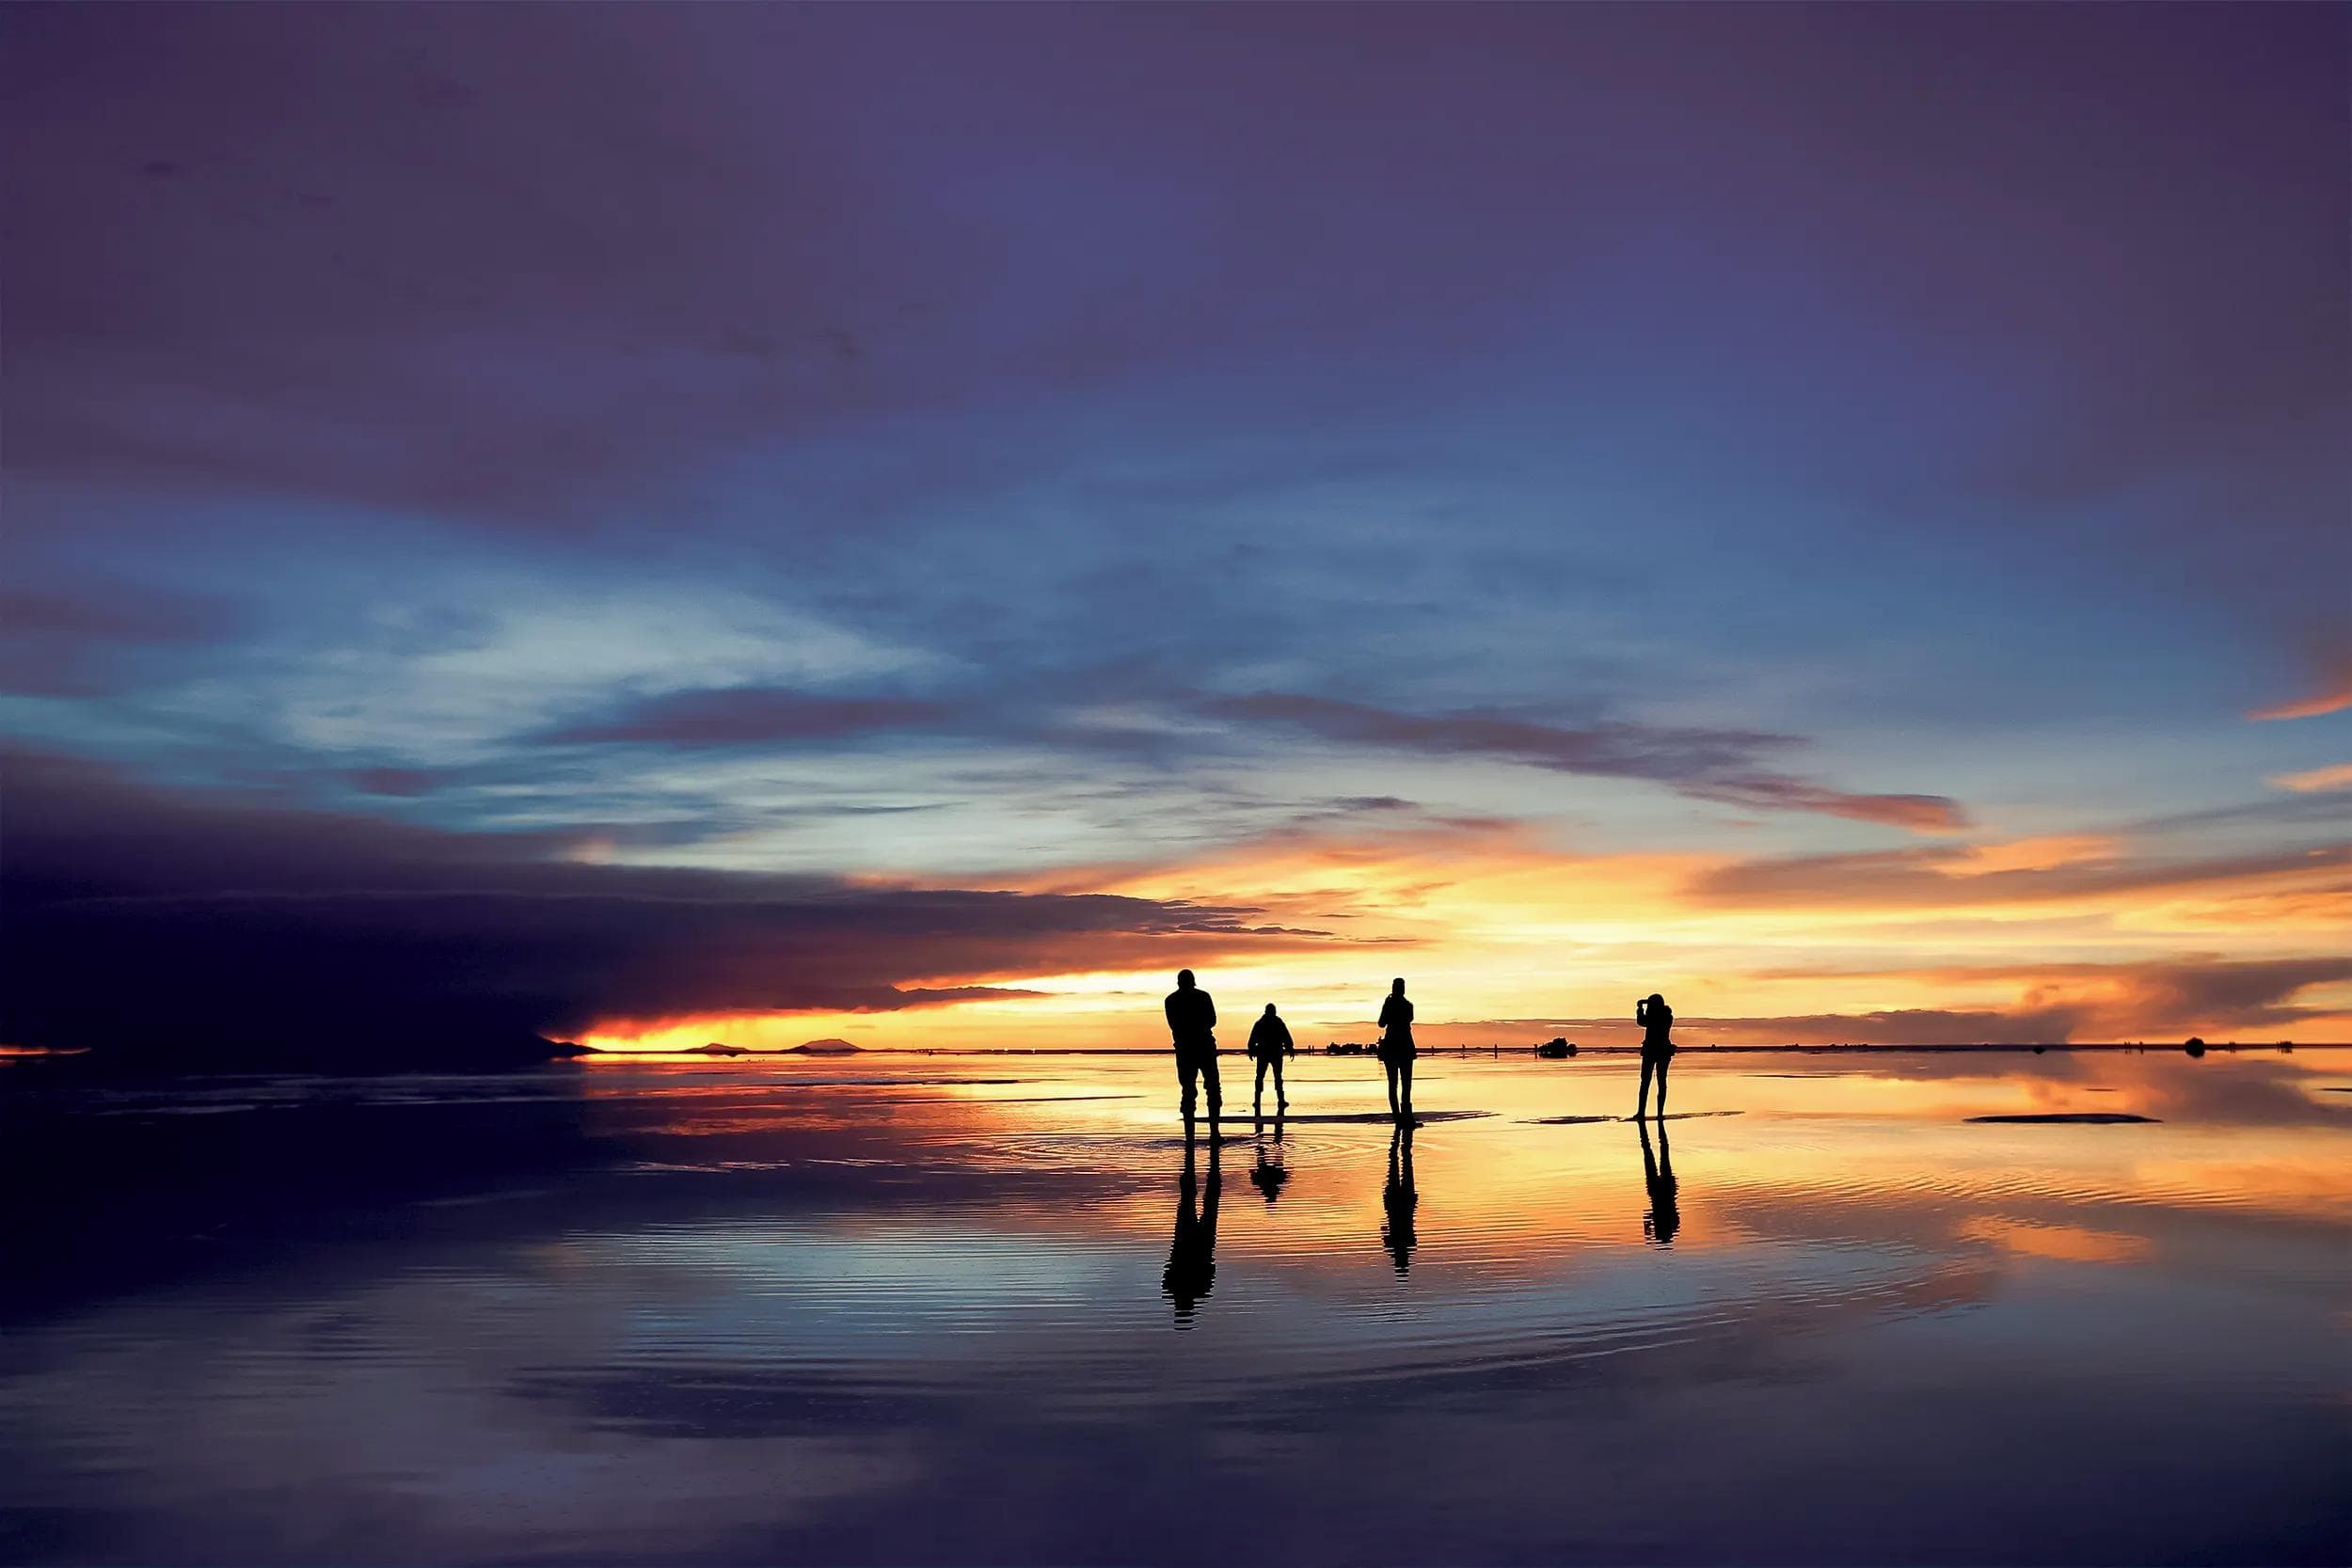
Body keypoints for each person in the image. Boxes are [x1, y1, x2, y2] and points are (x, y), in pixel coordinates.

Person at [1163, 1131, 1221, 1324]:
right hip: (1198, 1244)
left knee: (1194, 1200)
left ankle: (1199, 1167)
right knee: (1203, 1200)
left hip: (1188, 1243)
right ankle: (1205, 1168)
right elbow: (1210, 1268)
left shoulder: (1174, 1288)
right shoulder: (1199, 1289)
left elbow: (1211, 1269)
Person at [1164, 969, 1220, 1127]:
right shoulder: (1202, 996)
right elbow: (1212, 1021)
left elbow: (1174, 1025)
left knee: (1190, 1091)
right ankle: (1213, 1133)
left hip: (1186, 1050)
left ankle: (1194, 1136)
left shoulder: (1171, 1000)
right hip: (1201, 1048)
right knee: (1211, 1089)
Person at [1379, 1121, 1418, 1275]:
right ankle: (1400, 1136)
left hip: (1403, 1203)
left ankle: (1398, 1136)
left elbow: (1384, 1229)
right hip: (1399, 1204)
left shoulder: (1403, 1246)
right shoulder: (1405, 1245)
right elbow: (1384, 1229)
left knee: (1403, 1164)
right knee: (1400, 1164)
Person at [1376, 976, 1416, 1124]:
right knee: (1406, 1084)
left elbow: (1381, 1023)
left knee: (1393, 1084)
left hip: (1393, 1046)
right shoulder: (1408, 1005)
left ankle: (1399, 1118)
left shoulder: (1390, 1004)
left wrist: (1386, 1006)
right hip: (1404, 1046)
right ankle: (1406, 1117)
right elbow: (1409, 1020)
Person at [1247, 1003, 1294, 1115]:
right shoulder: (1275, 1022)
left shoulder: (1261, 1023)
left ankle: (1260, 1101)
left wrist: (1251, 1049)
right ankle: (1276, 1100)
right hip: (1272, 1052)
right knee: (1273, 1077)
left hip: (1267, 1052)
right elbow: (1286, 1036)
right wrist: (1290, 1047)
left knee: (1264, 1077)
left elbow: (1253, 1038)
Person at [1639, 1118, 1680, 1244]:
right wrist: (1649, 1231)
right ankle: (1657, 1124)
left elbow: (1646, 1217)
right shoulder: (1671, 1223)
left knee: (1659, 1152)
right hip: (1662, 1190)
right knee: (1652, 1152)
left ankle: (1650, 1125)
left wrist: (1649, 1229)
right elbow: (1646, 1217)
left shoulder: (1671, 1223)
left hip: (1659, 1191)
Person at [1635, 991, 1675, 1118]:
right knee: (1651, 1082)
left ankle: (1655, 1114)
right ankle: (1646, 1113)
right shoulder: (1665, 1016)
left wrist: (1640, 1007)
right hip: (1657, 1050)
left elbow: (1642, 1021)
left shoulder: (1663, 1016)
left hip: (1656, 1050)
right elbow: (1643, 1021)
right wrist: (1642, 1006)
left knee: (1654, 1082)